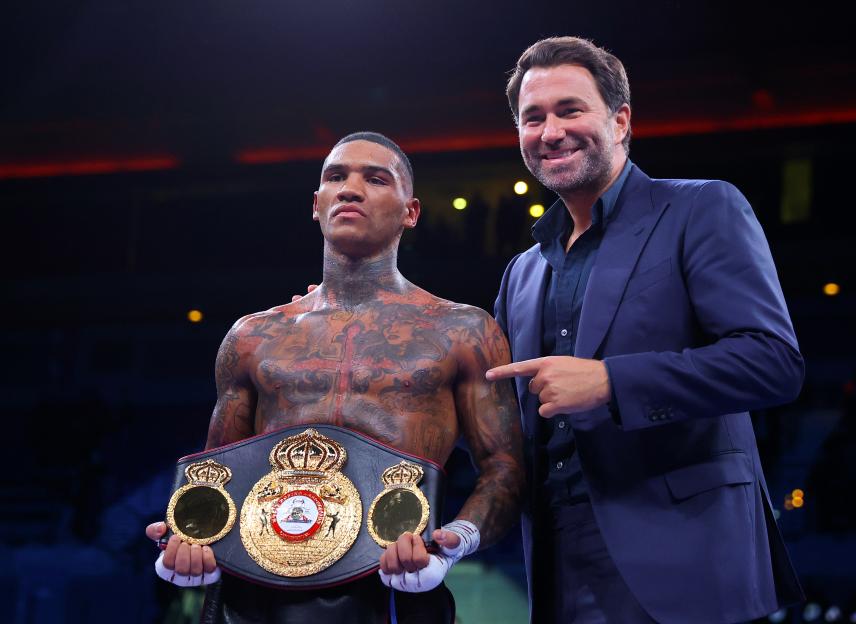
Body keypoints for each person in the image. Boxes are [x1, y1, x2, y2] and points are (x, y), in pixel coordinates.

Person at [483, 37, 805, 623]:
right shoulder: (521, 272)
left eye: (569, 110)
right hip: (556, 567)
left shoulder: (700, 208)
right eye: (533, 118)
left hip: (687, 564)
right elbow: (500, 420)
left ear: (621, 120)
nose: (550, 130)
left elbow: (772, 362)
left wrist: (611, 381)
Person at [145, 131, 524, 623]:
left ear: (411, 212)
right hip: (255, 595)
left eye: (375, 178)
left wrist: (454, 541)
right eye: (335, 177)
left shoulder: (462, 331)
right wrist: (190, 545)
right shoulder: (254, 335)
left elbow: (506, 467)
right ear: (316, 205)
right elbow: (220, 476)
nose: (350, 188)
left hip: (393, 581)